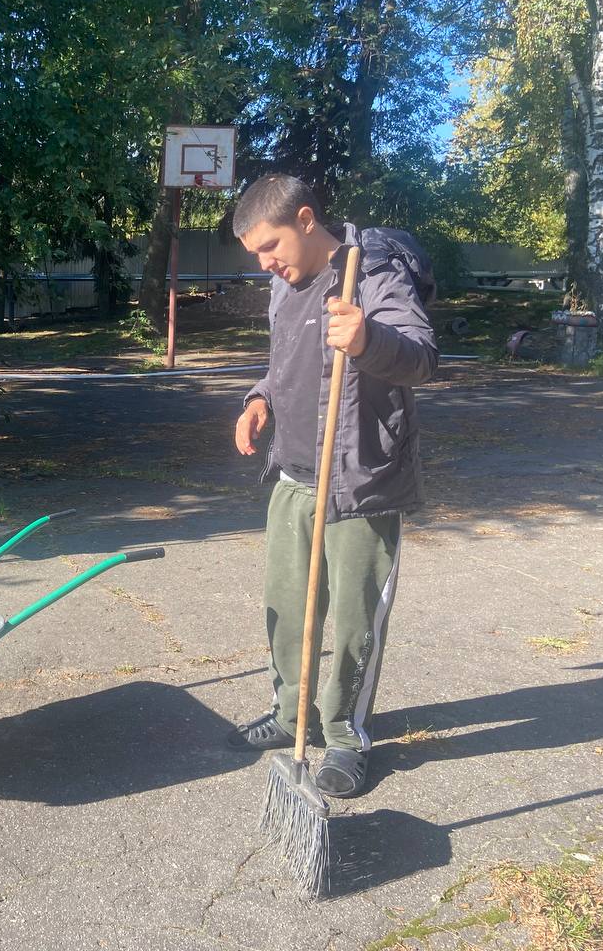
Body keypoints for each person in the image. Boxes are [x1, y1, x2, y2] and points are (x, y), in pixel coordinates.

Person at [226, 173, 438, 798]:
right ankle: (291, 713)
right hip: (294, 477)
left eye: (271, 247)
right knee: (289, 613)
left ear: (306, 220)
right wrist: (260, 399)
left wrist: (369, 338)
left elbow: (422, 357)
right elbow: (285, 362)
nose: (266, 264)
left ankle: (345, 734)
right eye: (256, 255)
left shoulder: (371, 271)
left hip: (361, 483)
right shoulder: (284, 285)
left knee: (352, 624)